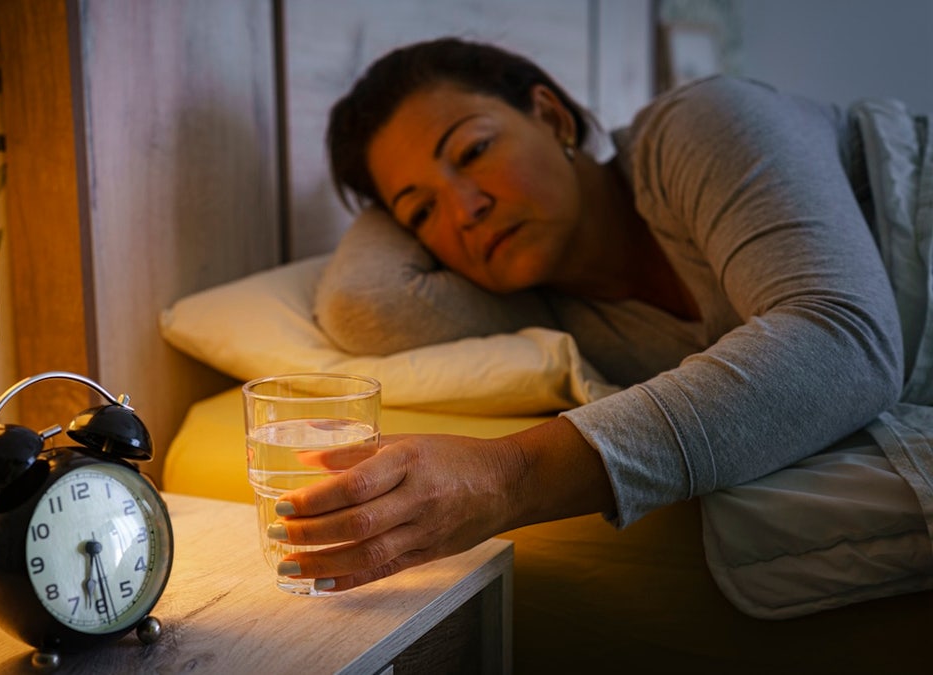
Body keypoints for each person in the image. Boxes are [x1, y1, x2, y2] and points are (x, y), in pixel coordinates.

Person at [263, 37, 933, 597]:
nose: (465, 210)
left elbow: (845, 342)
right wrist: (395, 194)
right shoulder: (544, 312)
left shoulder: (700, 123)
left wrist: (509, 475)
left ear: (553, 118)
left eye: (472, 152)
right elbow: (364, 304)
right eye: (420, 212)